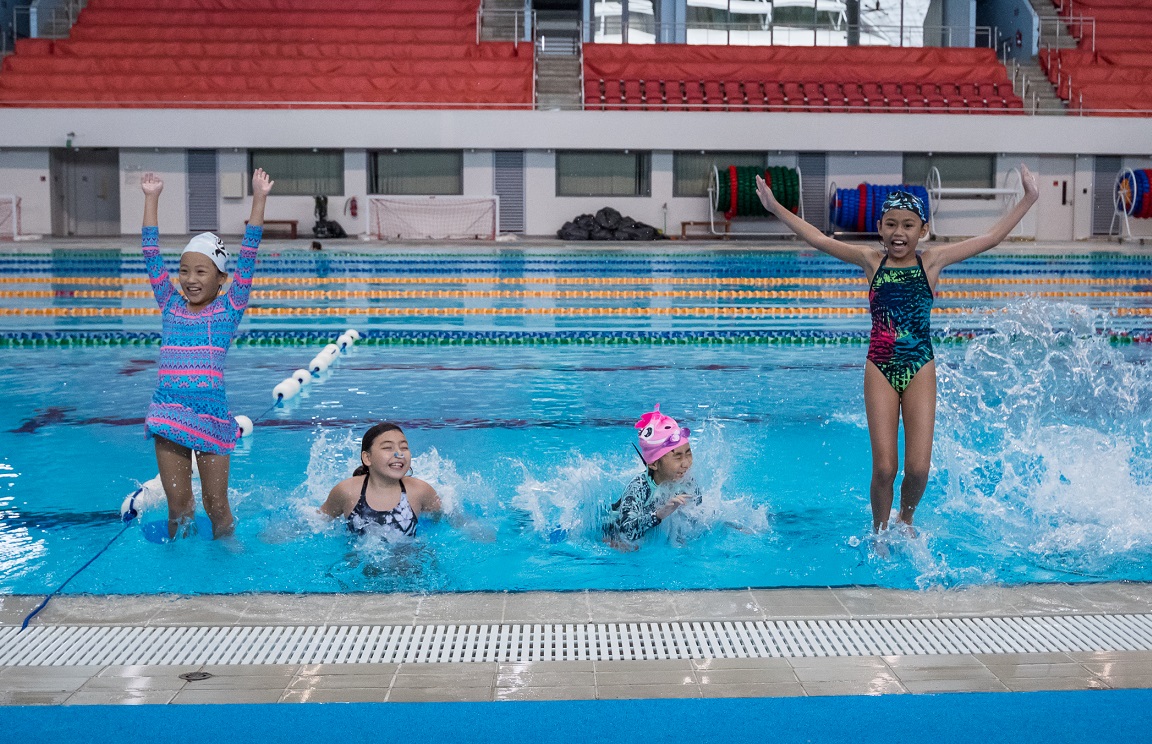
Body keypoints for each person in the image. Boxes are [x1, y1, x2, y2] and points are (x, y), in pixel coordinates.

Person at [755, 166, 1039, 534]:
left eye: (908, 225)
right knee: (885, 468)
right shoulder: (871, 261)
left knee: (919, 469)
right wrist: (776, 207)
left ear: (923, 230)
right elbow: (818, 239)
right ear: (879, 227)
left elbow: (991, 237)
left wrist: (1029, 198)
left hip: (920, 364)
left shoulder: (932, 261)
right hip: (880, 365)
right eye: (891, 224)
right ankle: (880, 531)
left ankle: (906, 517)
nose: (898, 232)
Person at [141, 168, 274, 540]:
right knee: (179, 508)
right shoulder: (170, 305)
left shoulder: (228, 310)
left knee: (217, 507)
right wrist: (152, 197)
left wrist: (259, 197)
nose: (190, 279)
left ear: (221, 280)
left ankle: (224, 570)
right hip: (168, 410)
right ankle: (180, 578)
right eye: (184, 270)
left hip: (212, 415)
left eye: (201, 271)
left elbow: (249, 253)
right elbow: (151, 254)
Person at [320, 423, 442, 537]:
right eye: (388, 448)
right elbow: (317, 522)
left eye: (404, 447)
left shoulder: (419, 491)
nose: (399, 454)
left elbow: (443, 520)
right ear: (367, 458)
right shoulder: (347, 491)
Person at [606, 404, 702, 548]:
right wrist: (659, 514)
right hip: (613, 529)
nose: (686, 463)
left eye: (688, 453)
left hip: (650, 527)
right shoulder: (639, 487)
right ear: (653, 464)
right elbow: (626, 531)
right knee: (626, 547)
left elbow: (699, 516)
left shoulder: (687, 481)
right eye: (677, 457)